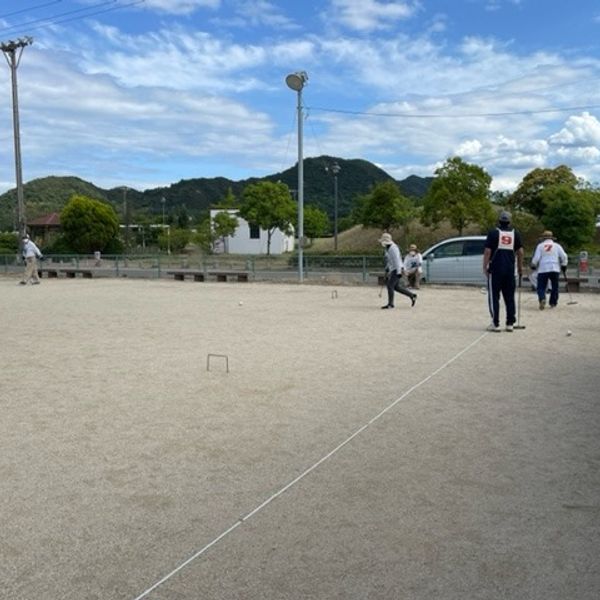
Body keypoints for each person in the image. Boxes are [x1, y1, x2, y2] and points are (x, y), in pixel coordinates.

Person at [483, 211, 523, 332]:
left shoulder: (493, 233)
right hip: (510, 270)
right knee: (509, 296)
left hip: (495, 269)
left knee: (494, 296)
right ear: (509, 221)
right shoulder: (515, 233)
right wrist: (520, 267)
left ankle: (495, 323)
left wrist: (485, 266)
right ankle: (510, 322)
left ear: (499, 220)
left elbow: (487, 252)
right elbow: (520, 252)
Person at [530, 230, 568, 310]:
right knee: (555, 286)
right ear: (552, 238)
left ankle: (542, 298)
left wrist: (533, 264)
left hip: (543, 268)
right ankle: (553, 302)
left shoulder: (540, 246)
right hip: (554, 268)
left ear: (543, 238)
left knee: (541, 286)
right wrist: (564, 265)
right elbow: (564, 256)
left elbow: (536, 258)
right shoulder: (557, 246)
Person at [379, 232, 417, 309]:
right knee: (396, 287)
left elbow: (397, 260)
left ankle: (391, 304)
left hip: (397, 269)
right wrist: (387, 268)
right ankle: (412, 295)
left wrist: (399, 272)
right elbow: (390, 260)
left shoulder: (393, 248)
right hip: (394, 269)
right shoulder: (388, 248)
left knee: (390, 286)